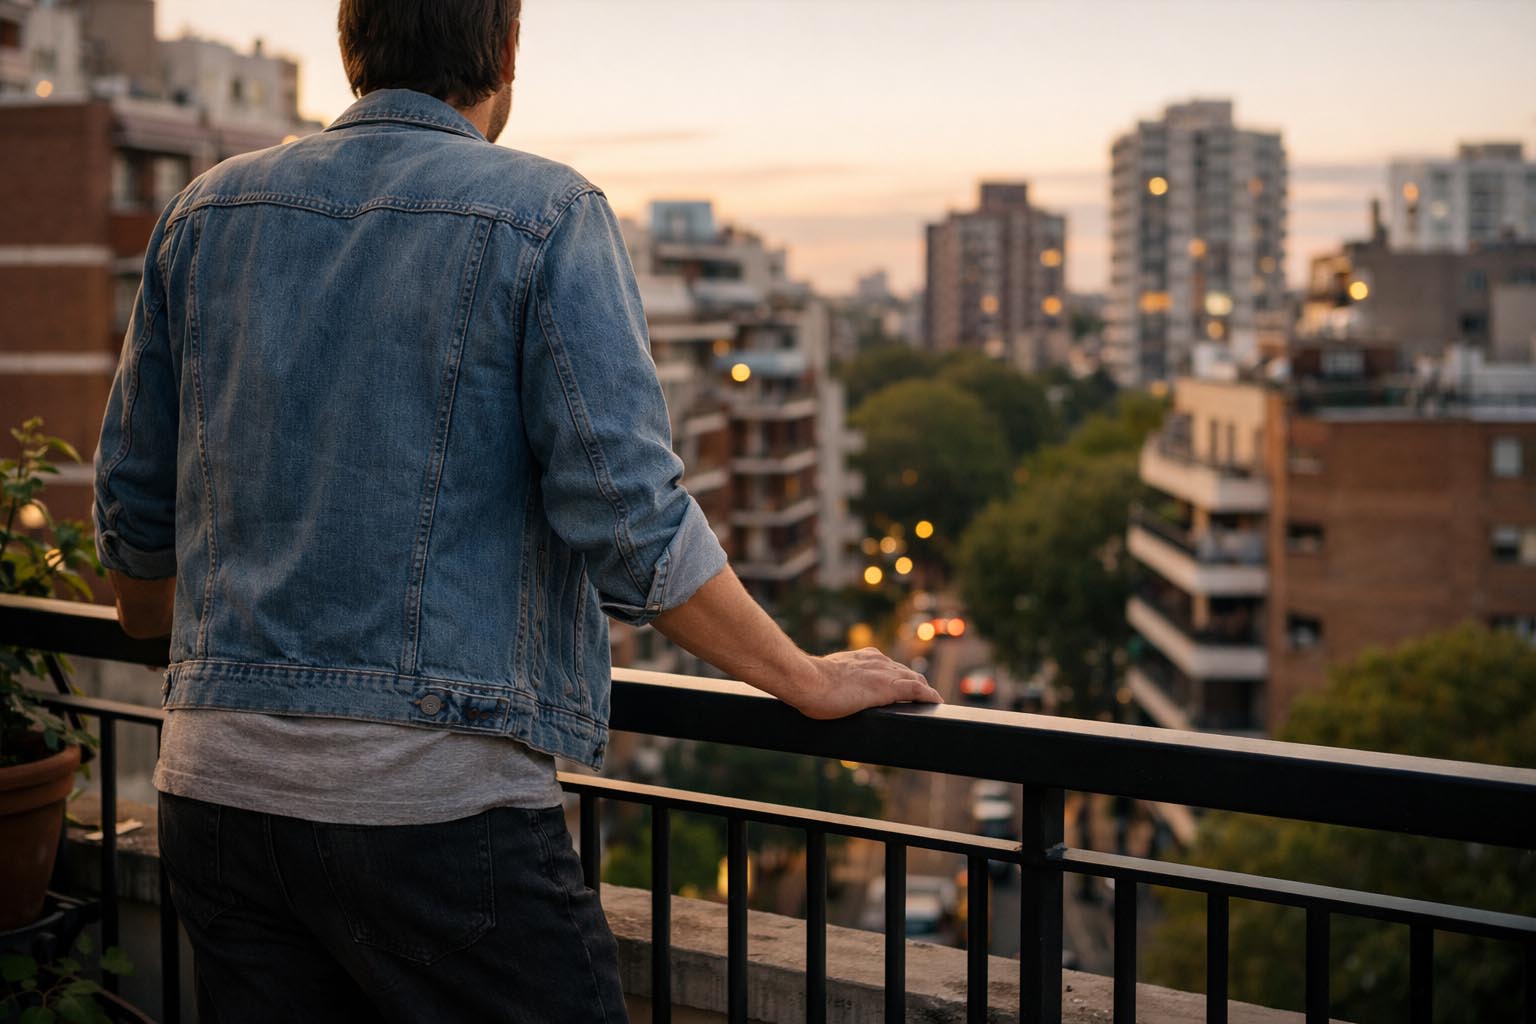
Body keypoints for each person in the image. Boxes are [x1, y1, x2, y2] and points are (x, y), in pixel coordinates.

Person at [92, 1, 940, 1020]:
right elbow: (630, 516)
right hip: (432, 807)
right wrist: (802, 677)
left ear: (351, 48)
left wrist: (158, 627)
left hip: (214, 794)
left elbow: (135, 499)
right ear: (505, 55)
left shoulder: (203, 212)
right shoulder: (544, 213)